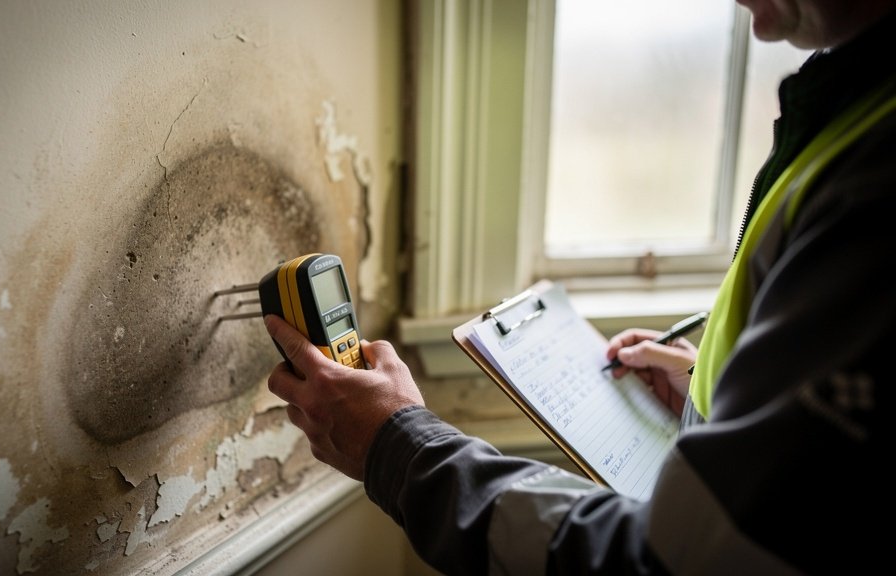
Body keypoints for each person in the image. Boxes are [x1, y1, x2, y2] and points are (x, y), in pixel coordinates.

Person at [264, 1, 896, 573]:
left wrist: (395, 444)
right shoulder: (858, 104)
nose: (748, 15)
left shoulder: (875, 176)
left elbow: (660, 563)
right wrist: (720, 396)